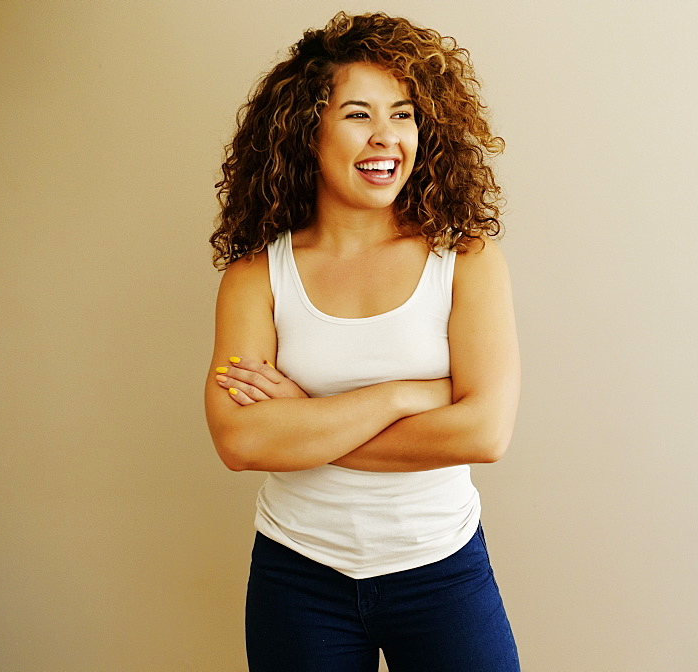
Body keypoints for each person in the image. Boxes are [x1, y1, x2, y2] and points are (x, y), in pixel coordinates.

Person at [203, 12, 521, 672]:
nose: (387, 137)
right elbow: (242, 441)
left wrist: (306, 420)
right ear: (307, 131)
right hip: (299, 578)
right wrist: (410, 395)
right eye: (358, 114)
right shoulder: (257, 275)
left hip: (442, 572)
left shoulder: (465, 259)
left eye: (403, 114)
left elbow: (485, 433)